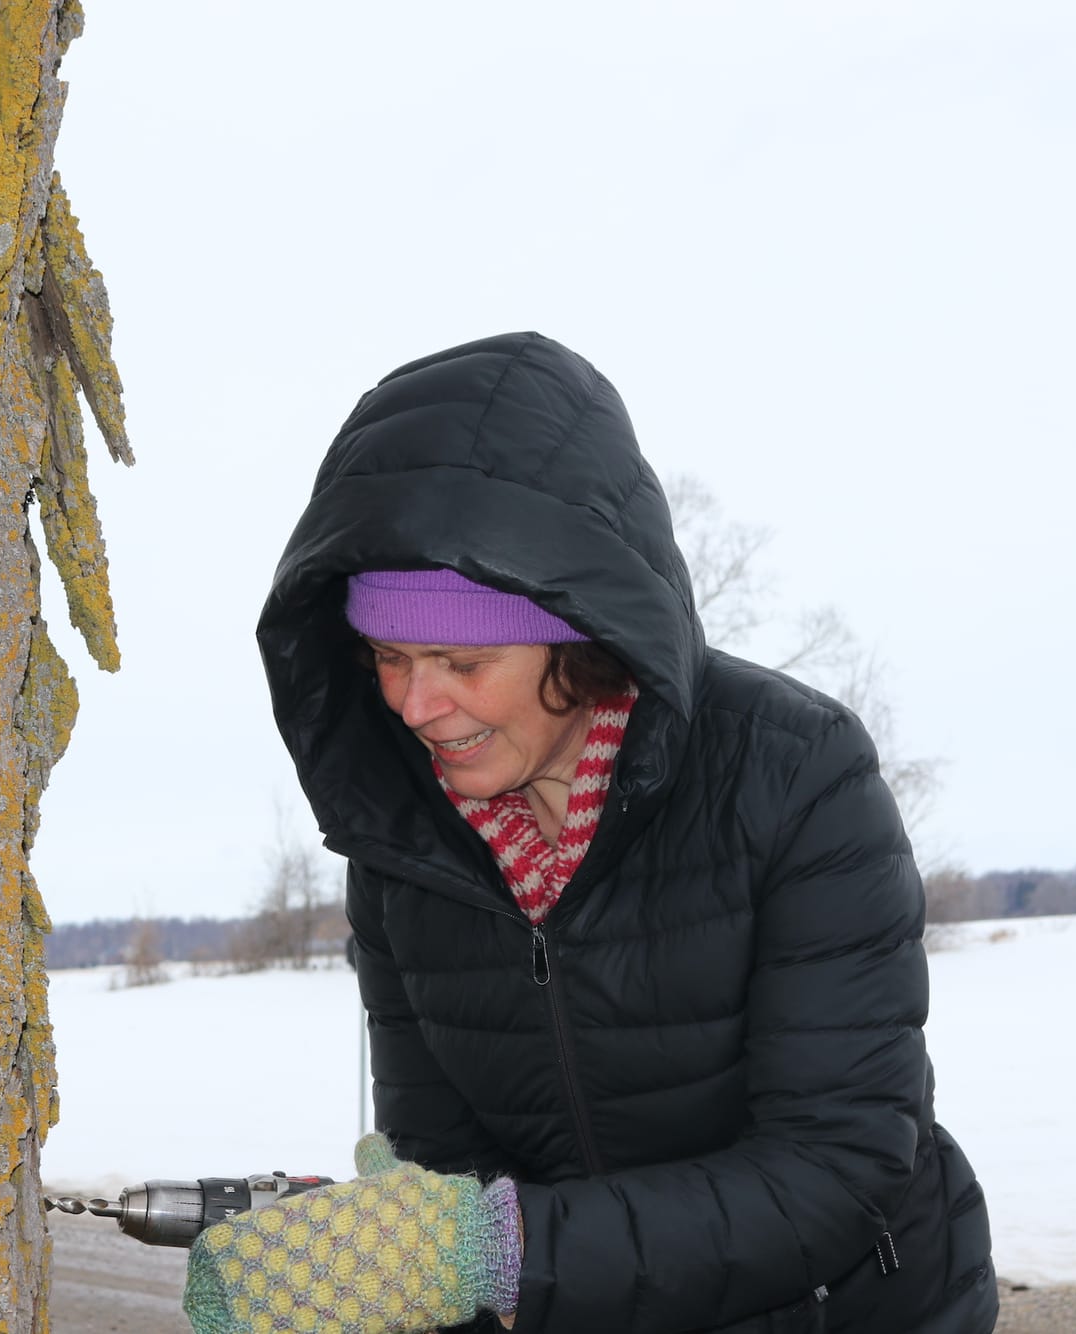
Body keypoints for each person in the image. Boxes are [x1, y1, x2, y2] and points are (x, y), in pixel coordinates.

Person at [185, 332, 996, 1334]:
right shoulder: (401, 842)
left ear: (580, 630)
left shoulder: (793, 769)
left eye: (457, 659)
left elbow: (832, 1172)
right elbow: (447, 1164)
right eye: (387, 656)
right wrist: (394, 1259)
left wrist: (483, 1250)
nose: (414, 703)